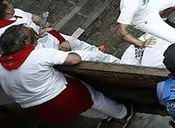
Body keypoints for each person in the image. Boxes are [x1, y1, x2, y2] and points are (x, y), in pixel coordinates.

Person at [0, 25, 133, 126]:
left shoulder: (2, 65)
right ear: (25, 43)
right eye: (29, 34)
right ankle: (123, 114)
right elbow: (74, 60)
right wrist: (63, 52)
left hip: (38, 107)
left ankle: (106, 117)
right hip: (61, 94)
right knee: (94, 99)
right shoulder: (39, 55)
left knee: (80, 109)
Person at [0, 0, 117, 63]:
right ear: (7, 11)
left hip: (49, 35)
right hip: (47, 48)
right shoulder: (5, 33)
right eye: (8, 4)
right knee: (85, 57)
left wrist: (42, 23)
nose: (11, 4)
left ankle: (97, 51)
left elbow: (34, 17)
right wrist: (61, 51)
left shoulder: (17, 12)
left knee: (78, 44)